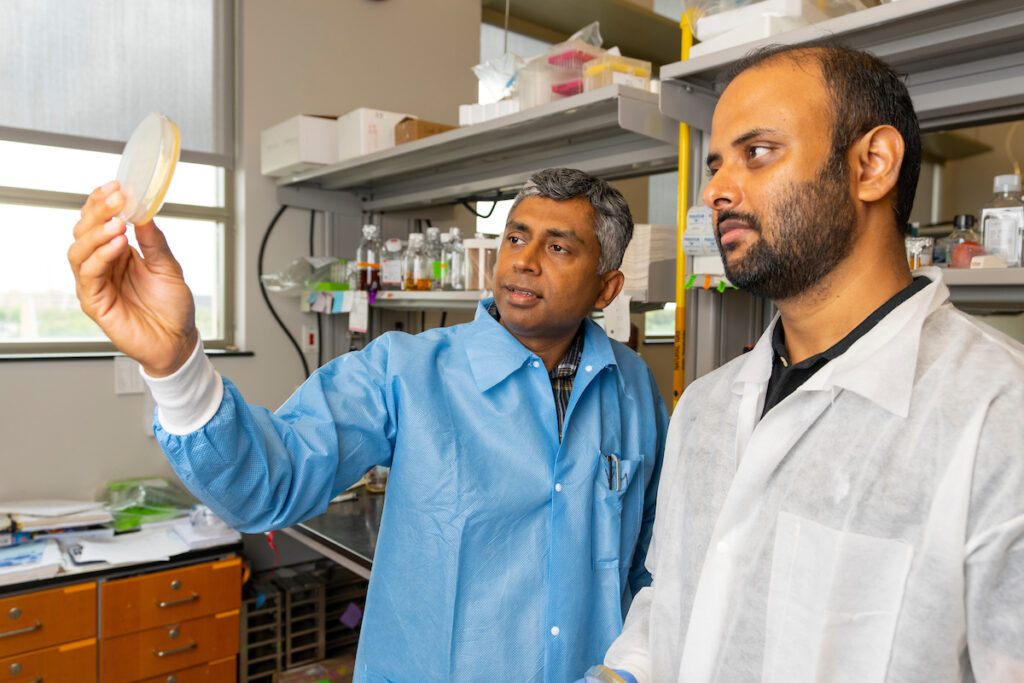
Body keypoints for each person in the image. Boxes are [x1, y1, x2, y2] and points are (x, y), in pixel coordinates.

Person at [68, 167, 668, 682]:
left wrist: (634, 667)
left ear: (607, 288)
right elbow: (266, 484)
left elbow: (656, 555)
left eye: (559, 247)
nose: (524, 262)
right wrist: (174, 367)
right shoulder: (403, 372)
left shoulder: (635, 387)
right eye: (516, 236)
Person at [598, 43, 1024, 682]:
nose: (714, 190)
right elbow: (674, 603)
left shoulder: (998, 414)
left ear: (871, 165)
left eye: (757, 152)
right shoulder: (707, 409)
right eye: (715, 164)